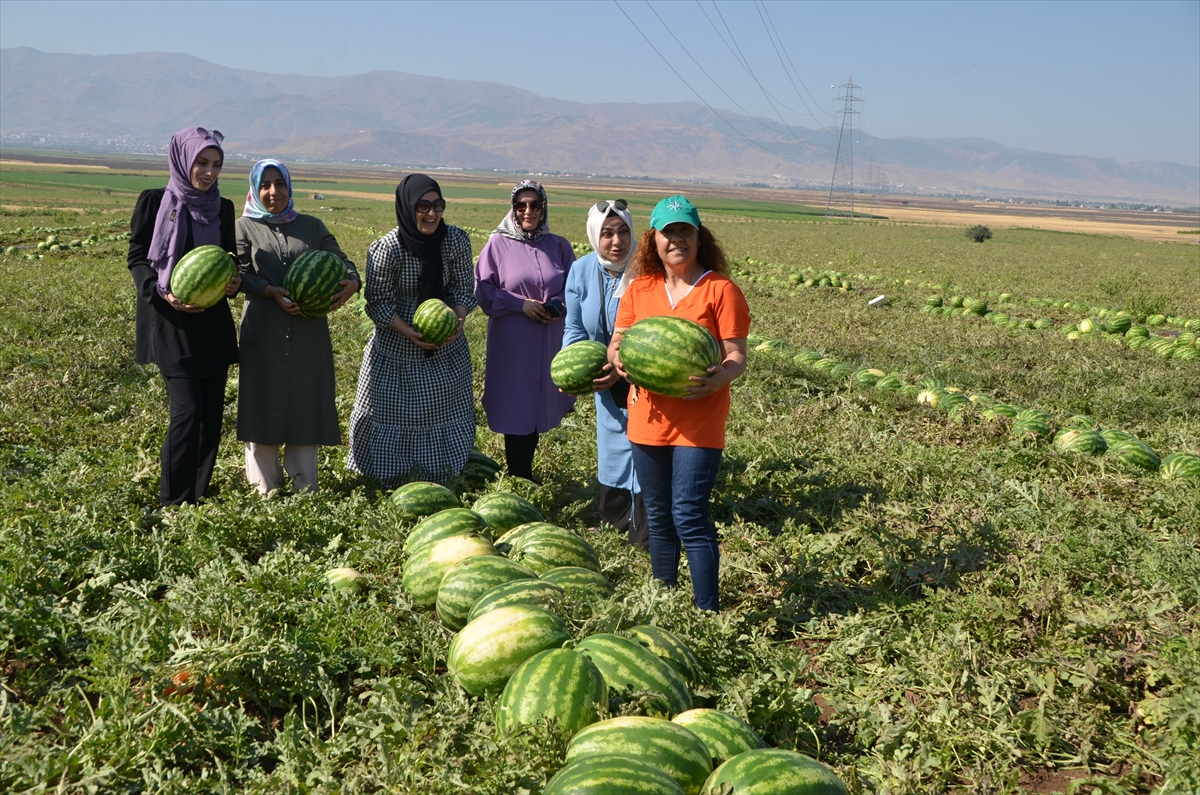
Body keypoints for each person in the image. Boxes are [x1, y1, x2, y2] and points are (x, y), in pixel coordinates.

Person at [608, 195, 750, 611]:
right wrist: (620, 362)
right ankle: (664, 601)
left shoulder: (721, 290)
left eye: (685, 232)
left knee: (688, 512)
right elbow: (618, 343)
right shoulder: (639, 289)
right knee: (659, 514)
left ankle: (707, 610)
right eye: (668, 233)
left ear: (698, 237)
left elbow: (736, 354)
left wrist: (719, 377)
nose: (677, 241)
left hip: (699, 420)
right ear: (653, 240)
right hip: (647, 420)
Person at [127, 127, 241, 506]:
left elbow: (228, 260)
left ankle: (197, 494)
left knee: (211, 417)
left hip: (212, 324)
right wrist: (162, 293)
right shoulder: (156, 201)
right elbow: (138, 258)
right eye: (201, 163)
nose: (209, 172)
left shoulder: (222, 207)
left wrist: (233, 281)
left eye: (216, 165)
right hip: (172, 323)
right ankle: (173, 501)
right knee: (187, 412)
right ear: (182, 159)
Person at [235, 159, 360, 495]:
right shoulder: (243, 227)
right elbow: (238, 275)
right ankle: (264, 494)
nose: (273, 191)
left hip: (308, 333)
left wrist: (353, 281)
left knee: (305, 407)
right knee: (262, 410)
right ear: (255, 189)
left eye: (280, 184)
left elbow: (341, 261)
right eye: (265, 185)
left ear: (290, 187)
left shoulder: (312, 226)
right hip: (263, 330)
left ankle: (306, 494)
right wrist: (268, 290)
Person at [347, 174, 477, 485]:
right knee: (393, 415)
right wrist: (409, 331)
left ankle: (441, 475)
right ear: (407, 207)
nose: (431, 213)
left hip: (446, 346)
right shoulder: (387, 248)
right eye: (422, 206)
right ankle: (389, 478)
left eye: (437, 205)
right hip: (397, 348)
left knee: (441, 413)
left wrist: (457, 320)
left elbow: (463, 288)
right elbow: (377, 303)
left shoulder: (455, 240)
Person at [474, 180, 576, 480]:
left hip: (549, 338)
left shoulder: (558, 245)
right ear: (513, 209)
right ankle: (520, 476)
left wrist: (557, 305)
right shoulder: (498, 245)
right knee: (515, 405)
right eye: (521, 205)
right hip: (513, 342)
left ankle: (525, 474)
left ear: (543, 207)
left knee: (538, 406)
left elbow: (574, 288)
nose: (528, 211)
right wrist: (520, 305)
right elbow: (482, 290)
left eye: (534, 204)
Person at [563, 199, 648, 549]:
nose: (616, 241)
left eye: (624, 231)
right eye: (607, 233)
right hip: (601, 373)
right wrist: (571, 367)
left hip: (643, 373)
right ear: (594, 236)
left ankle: (645, 530)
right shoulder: (581, 271)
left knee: (644, 447)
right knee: (613, 446)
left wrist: (621, 366)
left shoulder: (648, 270)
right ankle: (616, 521)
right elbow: (573, 328)